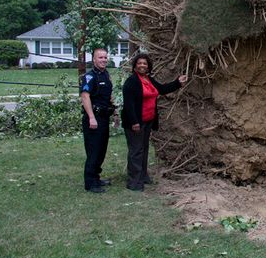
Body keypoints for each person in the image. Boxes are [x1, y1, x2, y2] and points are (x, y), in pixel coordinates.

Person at [121, 53, 187, 191]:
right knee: (136, 151)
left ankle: (143, 176)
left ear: (148, 66)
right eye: (139, 63)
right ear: (134, 66)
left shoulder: (148, 80)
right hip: (135, 123)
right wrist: (134, 122)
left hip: (147, 121)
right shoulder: (131, 82)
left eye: (145, 63)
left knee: (143, 149)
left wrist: (178, 82)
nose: (142, 65)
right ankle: (134, 182)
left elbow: (162, 89)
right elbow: (129, 105)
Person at [80, 47, 115, 193]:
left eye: (105, 57)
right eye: (100, 57)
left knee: (101, 150)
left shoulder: (105, 75)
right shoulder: (89, 77)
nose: (103, 60)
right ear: (94, 59)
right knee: (93, 151)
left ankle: (96, 177)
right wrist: (91, 118)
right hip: (93, 119)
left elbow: (107, 95)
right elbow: (85, 97)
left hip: (104, 118)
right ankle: (90, 183)